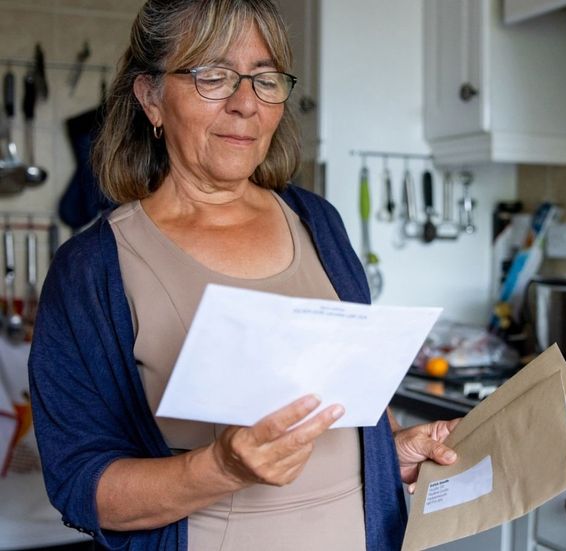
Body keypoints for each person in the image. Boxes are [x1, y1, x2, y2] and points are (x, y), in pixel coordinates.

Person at [28, 1, 458, 549]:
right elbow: (79, 485)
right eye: (213, 75)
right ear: (151, 97)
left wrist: (386, 456)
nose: (245, 105)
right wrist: (223, 469)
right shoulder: (92, 269)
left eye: (265, 79)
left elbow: (339, 403)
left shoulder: (319, 222)